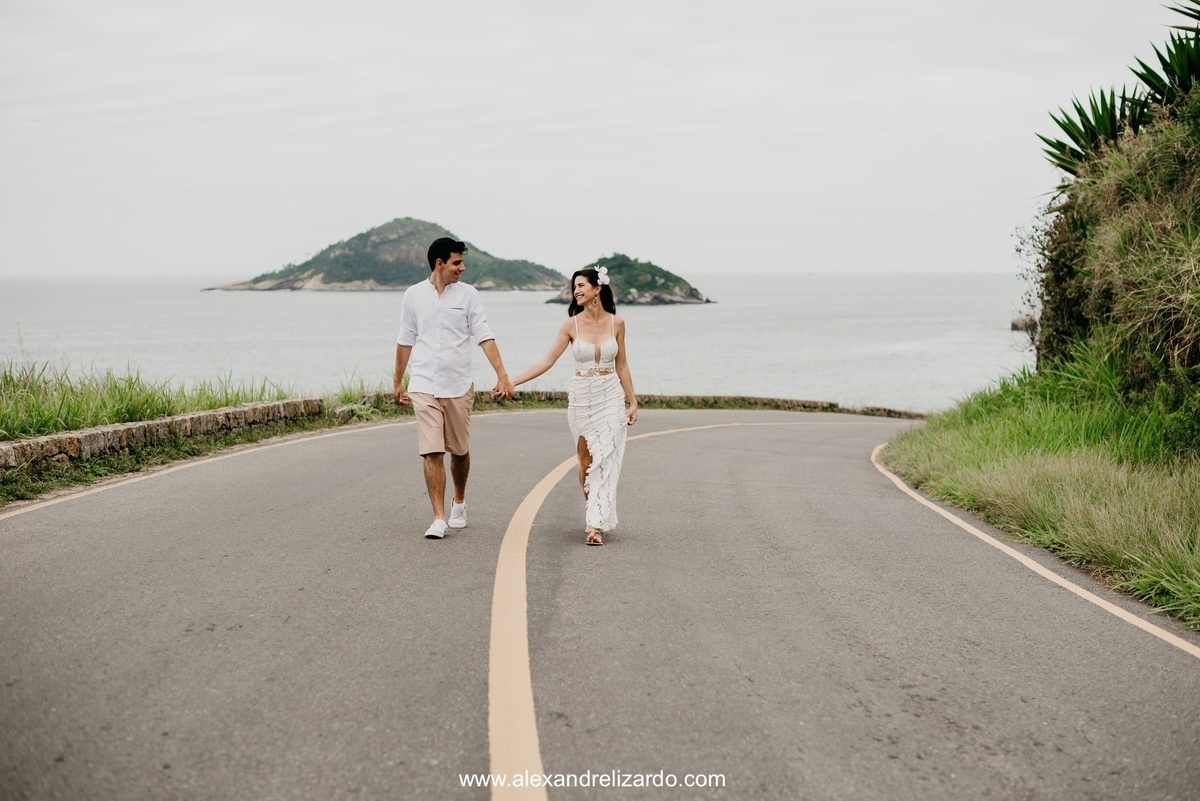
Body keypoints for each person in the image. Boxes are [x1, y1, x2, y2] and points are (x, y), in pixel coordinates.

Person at [394, 237, 514, 540]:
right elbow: (405, 339)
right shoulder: (413, 295)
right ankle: (438, 517)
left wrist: (502, 375)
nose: (463, 268)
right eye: (457, 263)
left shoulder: (469, 295)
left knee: (459, 452)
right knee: (432, 451)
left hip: (458, 385)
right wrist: (398, 380)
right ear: (440, 264)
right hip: (422, 383)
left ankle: (459, 500)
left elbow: (484, 335)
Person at [511, 266, 638, 546]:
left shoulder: (618, 323)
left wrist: (633, 401)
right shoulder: (571, 325)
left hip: (610, 397)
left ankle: (595, 524)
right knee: (586, 462)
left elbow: (622, 364)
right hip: (581, 398)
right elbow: (546, 361)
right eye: (574, 288)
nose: (576, 291)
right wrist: (512, 381)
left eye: (581, 285)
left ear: (597, 288)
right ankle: (594, 511)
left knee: (604, 458)